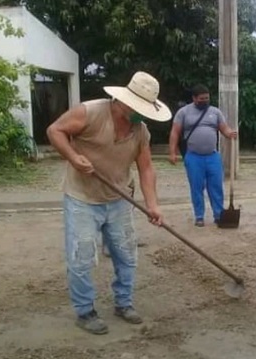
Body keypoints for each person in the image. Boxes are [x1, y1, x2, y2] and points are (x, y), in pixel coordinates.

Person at [46, 71, 170, 334]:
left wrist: (153, 205)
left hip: (119, 198)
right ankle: (85, 311)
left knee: (127, 255)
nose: (141, 115)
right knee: (81, 257)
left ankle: (123, 303)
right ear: (123, 101)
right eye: (138, 108)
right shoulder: (90, 113)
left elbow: (146, 168)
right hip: (82, 198)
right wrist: (72, 157)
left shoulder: (140, 130)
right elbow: (54, 130)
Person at [168, 84, 238, 227]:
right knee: (196, 187)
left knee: (216, 187)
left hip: (212, 157)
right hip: (193, 157)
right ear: (194, 98)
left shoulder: (215, 112)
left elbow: (224, 129)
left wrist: (230, 133)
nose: (205, 101)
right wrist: (172, 152)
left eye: (207, 98)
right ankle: (199, 216)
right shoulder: (184, 112)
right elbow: (175, 132)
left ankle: (219, 215)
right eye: (201, 99)